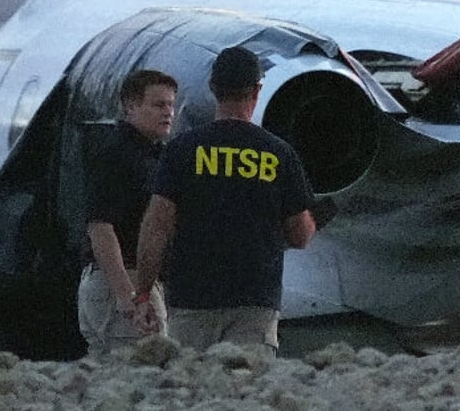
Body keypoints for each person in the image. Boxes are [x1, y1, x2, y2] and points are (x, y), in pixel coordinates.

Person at [134, 46, 316, 356]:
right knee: (247, 395)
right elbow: (300, 235)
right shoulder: (278, 154)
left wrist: (142, 294)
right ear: (257, 90)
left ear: (213, 88)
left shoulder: (183, 149)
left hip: (192, 299)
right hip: (254, 300)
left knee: (191, 393)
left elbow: (157, 226)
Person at [77, 69, 178, 357]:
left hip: (131, 281)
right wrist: (126, 294)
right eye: (159, 105)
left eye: (171, 105)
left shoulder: (152, 156)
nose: (168, 112)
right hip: (123, 280)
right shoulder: (117, 155)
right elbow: (100, 227)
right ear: (131, 106)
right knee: (141, 375)